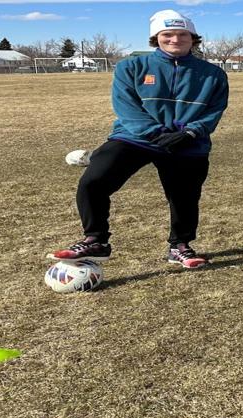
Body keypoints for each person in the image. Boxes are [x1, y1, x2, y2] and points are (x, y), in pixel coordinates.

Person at [51, 9, 227, 268]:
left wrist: (190, 132)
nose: (175, 39)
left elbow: (215, 109)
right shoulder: (131, 66)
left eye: (182, 34)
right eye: (168, 34)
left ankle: (180, 245)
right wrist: (154, 132)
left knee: (184, 197)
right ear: (156, 38)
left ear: (193, 38)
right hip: (135, 138)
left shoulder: (213, 74)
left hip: (187, 142)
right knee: (94, 181)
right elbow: (125, 106)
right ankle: (96, 240)